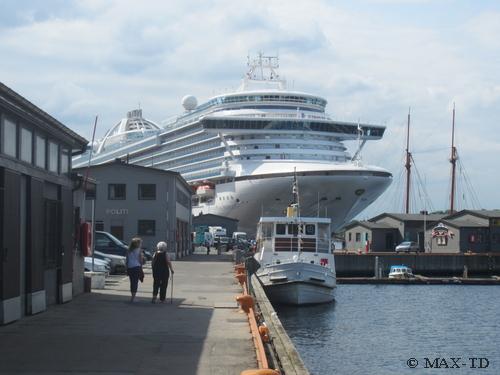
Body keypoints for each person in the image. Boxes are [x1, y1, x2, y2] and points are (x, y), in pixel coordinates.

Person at [126, 237, 144, 303]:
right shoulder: (139, 250)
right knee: (135, 282)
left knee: (132, 282)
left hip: (130, 267)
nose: (141, 244)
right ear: (137, 244)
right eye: (140, 243)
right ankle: (133, 298)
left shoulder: (128, 250)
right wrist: (141, 266)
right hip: (136, 267)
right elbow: (140, 260)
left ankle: (132, 297)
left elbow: (127, 260)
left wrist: (126, 268)